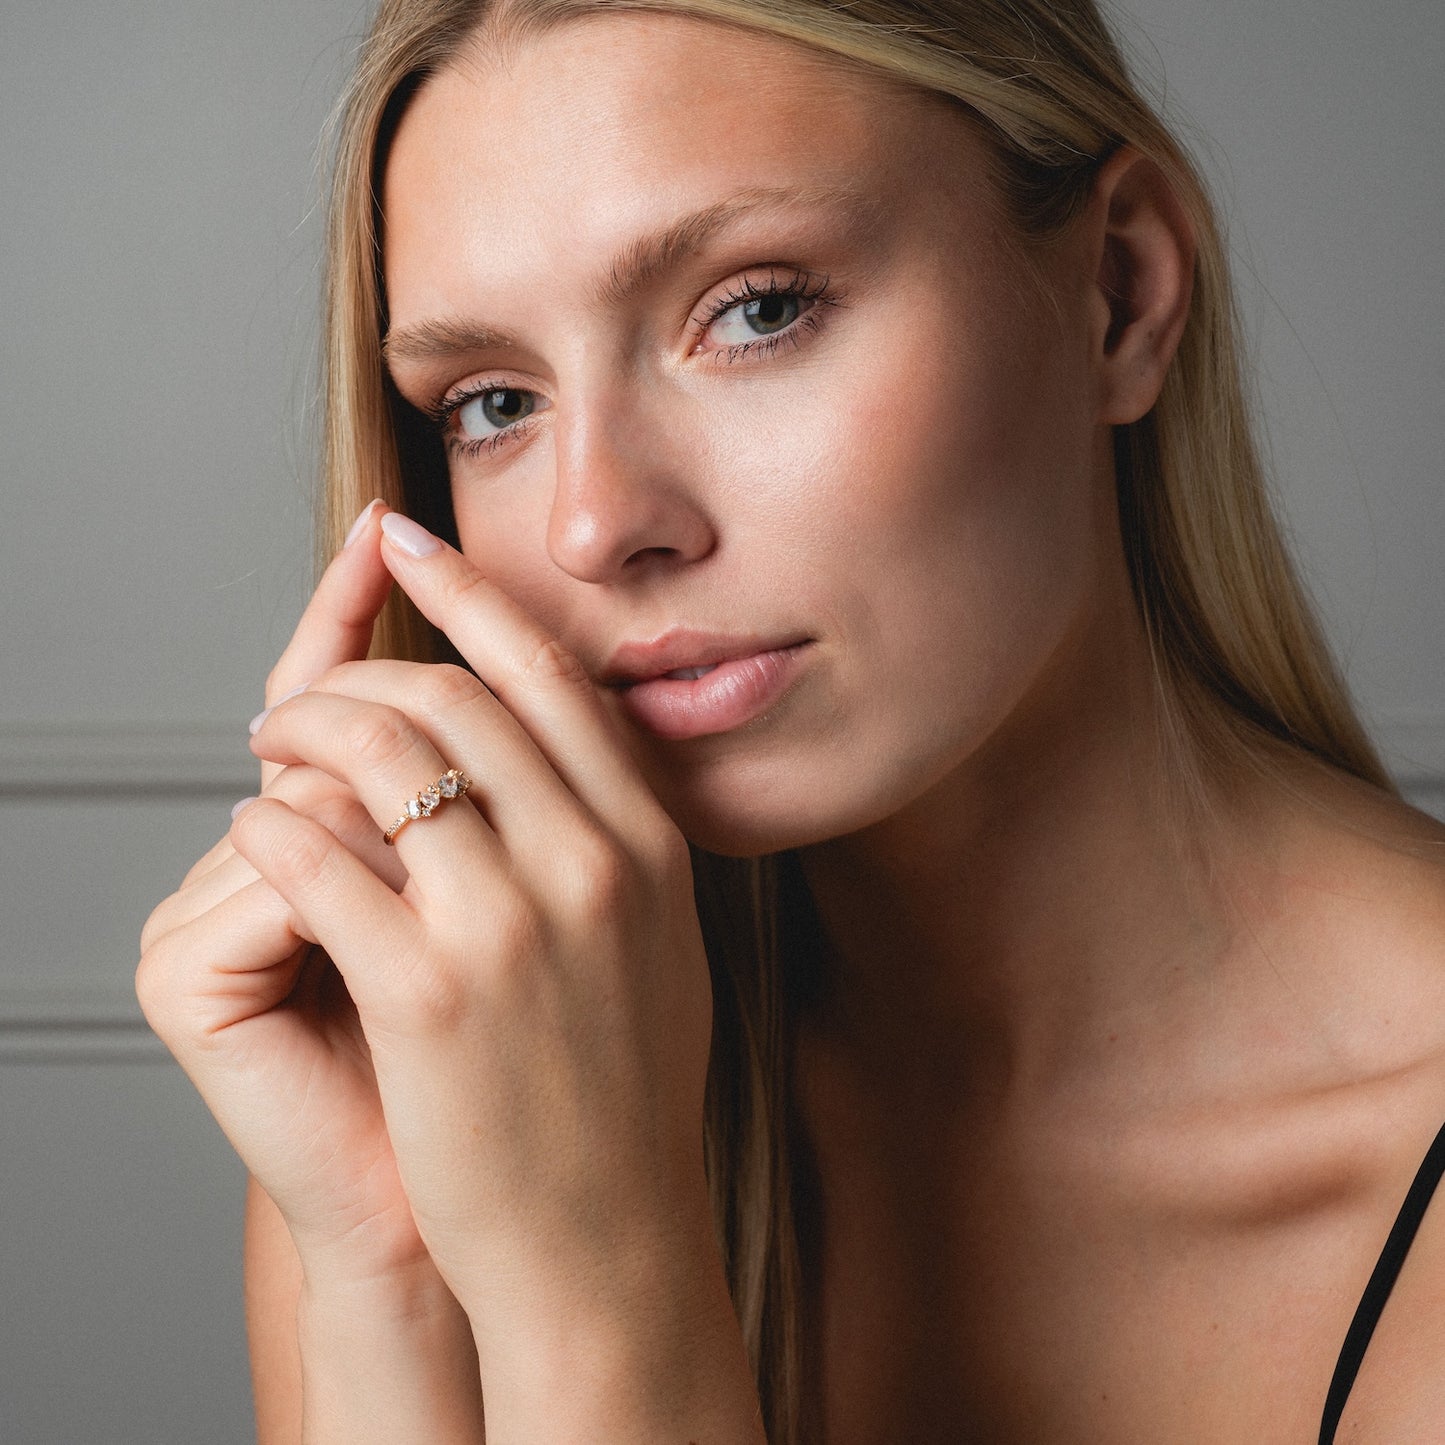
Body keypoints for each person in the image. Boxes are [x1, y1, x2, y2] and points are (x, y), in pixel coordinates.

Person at [137, 0, 1445, 1439]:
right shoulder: (472, 1077)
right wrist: (387, 1271)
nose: (592, 523)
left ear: (1117, 294)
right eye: (494, 401)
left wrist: (596, 1296)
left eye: (756, 309)